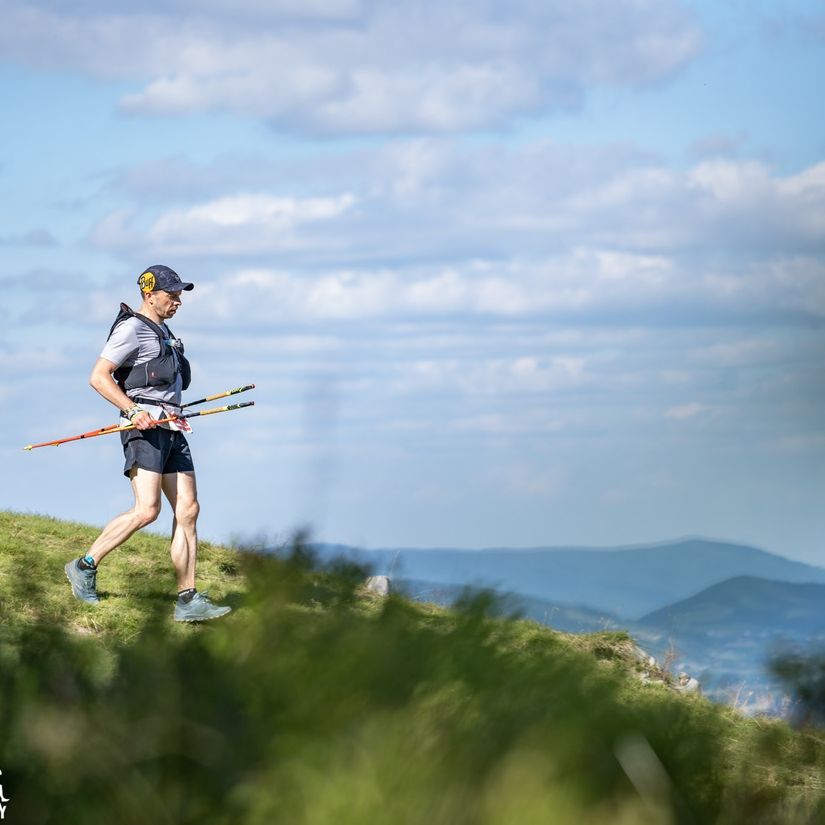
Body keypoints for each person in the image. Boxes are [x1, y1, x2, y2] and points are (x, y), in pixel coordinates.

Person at [65, 265, 231, 622]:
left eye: (179, 296)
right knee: (147, 510)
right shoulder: (132, 329)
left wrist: (171, 411)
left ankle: (187, 599)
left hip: (173, 427)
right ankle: (84, 565)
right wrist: (133, 410)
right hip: (144, 429)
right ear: (149, 294)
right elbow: (98, 376)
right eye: (171, 295)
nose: (177, 302)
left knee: (188, 509)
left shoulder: (164, 331)